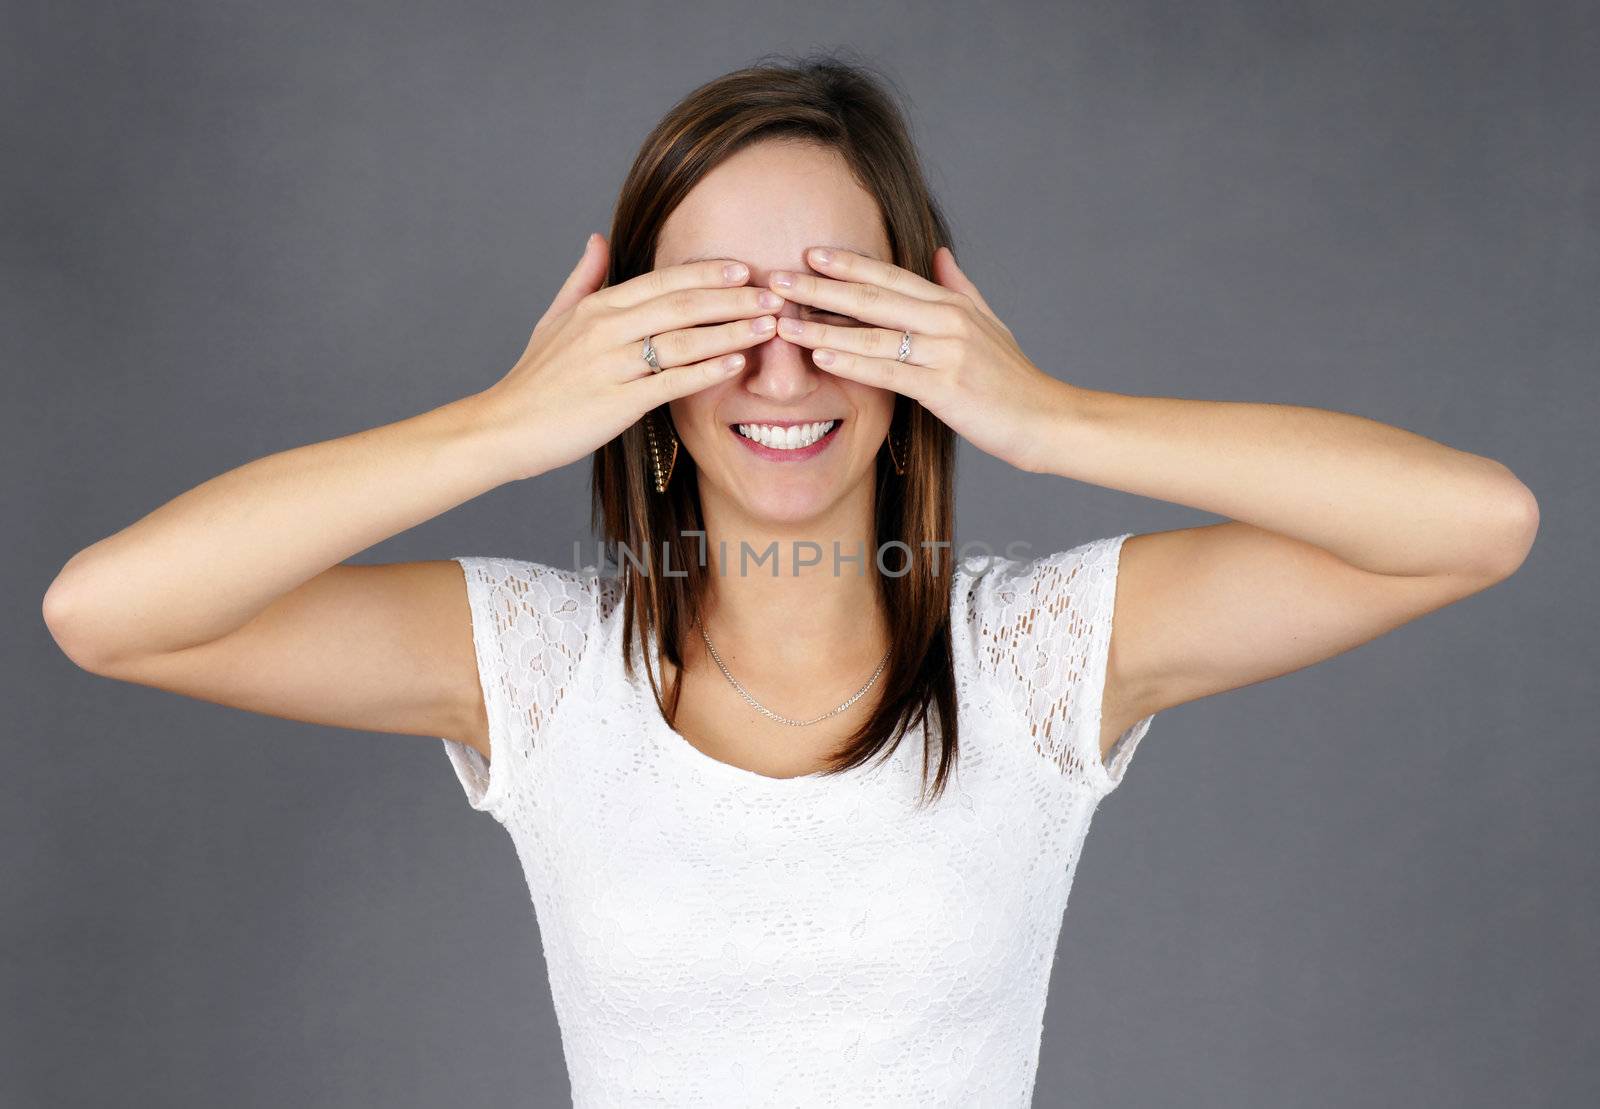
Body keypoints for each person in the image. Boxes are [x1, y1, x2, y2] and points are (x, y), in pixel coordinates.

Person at [42, 56, 1538, 1107]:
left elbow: (1474, 521)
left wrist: (1048, 415)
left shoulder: (1037, 656)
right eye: (711, 313)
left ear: (912, 337)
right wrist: (500, 424)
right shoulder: (542, 666)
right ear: (637, 358)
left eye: (834, 300)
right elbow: (105, 611)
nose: (779, 363)